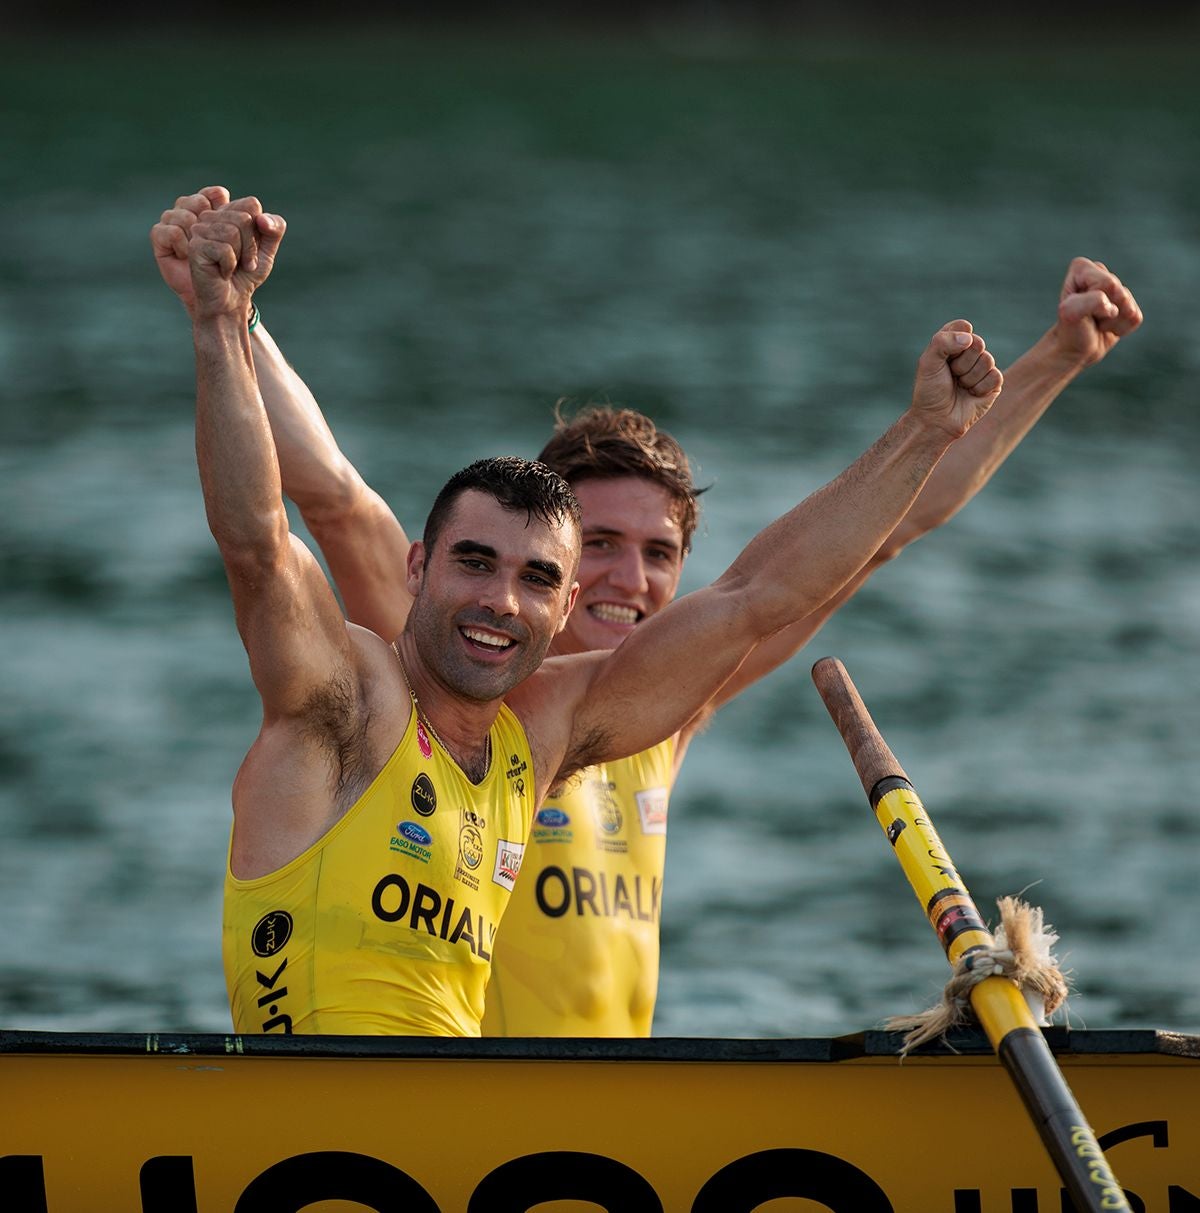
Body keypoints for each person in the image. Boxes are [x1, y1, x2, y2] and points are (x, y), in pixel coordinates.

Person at [156, 189, 1142, 1036]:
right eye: (475, 564)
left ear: (565, 590)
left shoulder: (554, 729)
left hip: (516, 1126)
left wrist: (942, 419)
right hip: (353, 1111)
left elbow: (784, 583)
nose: (503, 599)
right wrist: (224, 319)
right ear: (419, 568)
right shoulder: (351, 691)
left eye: (544, 577)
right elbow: (274, 528)